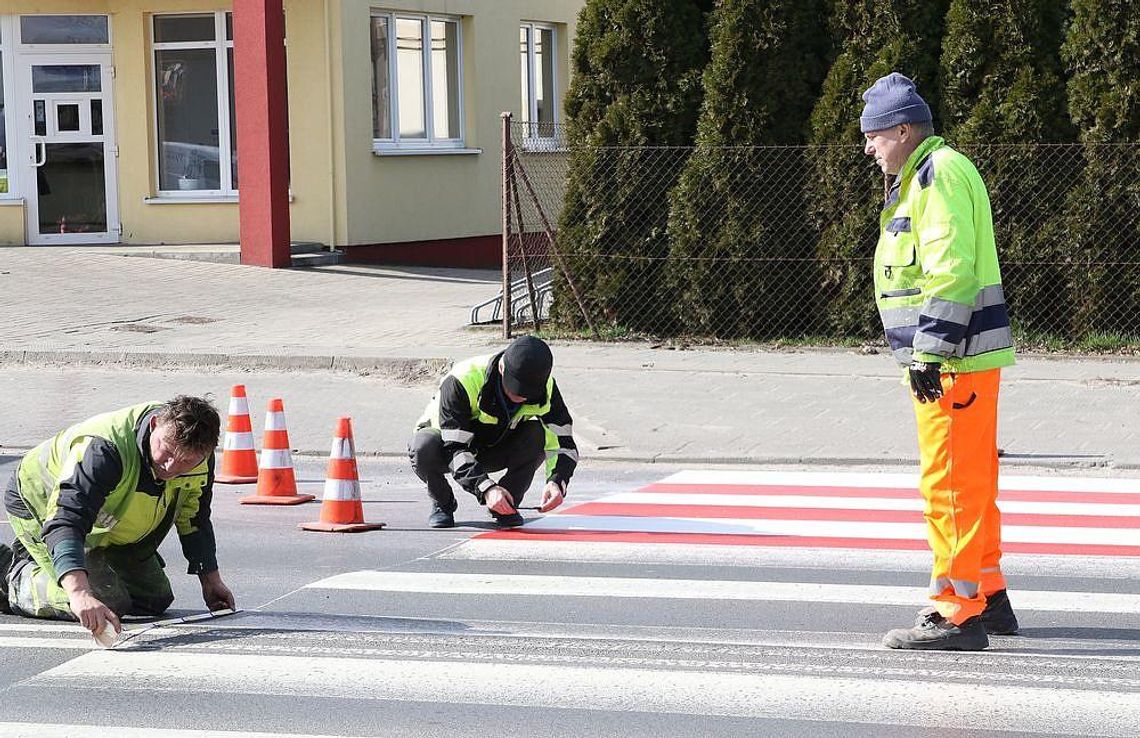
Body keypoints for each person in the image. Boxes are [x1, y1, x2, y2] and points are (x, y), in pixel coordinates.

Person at [860, 73, 1018, 651]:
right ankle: (991, 593)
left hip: (951, 359)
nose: (869, 147)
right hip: (962, 358)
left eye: (875, 135)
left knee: (949, 483)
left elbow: (950, 271)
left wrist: (929, 350)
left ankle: (957, 611)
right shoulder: (933, 174)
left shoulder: (935, 175)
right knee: (971, 479)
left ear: (904, 130)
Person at [0, 396, 234, 640]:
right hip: (42, 503)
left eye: (186, 461)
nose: (171, 466)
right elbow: (67, 519)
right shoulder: (104, 449)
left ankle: (72, 563)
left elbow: (195, 518)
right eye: (166, 450)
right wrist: (80, 593)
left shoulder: (200, 455)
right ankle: (9, 573)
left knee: (154, 598)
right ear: (154, 424)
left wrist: (210, 579)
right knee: (105, 601)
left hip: (106, 525)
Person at [408, 335, 578, 528]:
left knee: (537, 434)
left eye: (527, 393)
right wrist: (486, 488)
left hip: (495, 445)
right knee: (422, 447)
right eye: (514, 389)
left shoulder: (546, 388)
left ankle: (506, 502)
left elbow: (564, 444)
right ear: (502, 368)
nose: (520, 398)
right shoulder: (462, 380)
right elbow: (454, 448)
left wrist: (557, 481)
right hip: (446, 447)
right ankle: (443, 502)